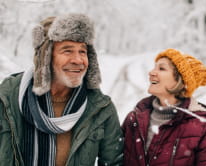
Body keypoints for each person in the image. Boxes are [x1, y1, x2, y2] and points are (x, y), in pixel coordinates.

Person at [0, 13, 123, 166]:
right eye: (67, 50)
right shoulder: (7, 99)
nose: (78, 60)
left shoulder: (100, 108)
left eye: (82, 51)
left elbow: (115, 163)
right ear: (46, 57)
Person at [122, 48, 206, 166]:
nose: (151, 72)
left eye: (161, 68)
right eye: (154, 67)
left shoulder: (203, 128)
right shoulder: (134, 119)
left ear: (180, 81)